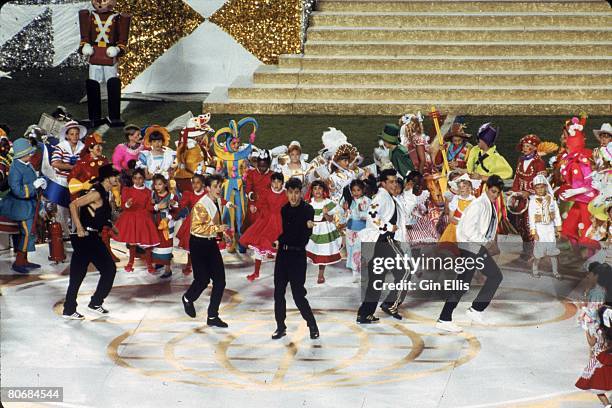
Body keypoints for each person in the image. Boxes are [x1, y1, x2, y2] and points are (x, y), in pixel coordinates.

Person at [436, 175, 505, 333]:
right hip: (470, 246)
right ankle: (454, 316)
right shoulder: (478, 204)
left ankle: (459, 314)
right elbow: (467, 229)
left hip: (474, 246)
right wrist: (483, 242)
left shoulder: (488, 203)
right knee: (493, 276)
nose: (495, 195)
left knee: (465, 283)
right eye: (493, 191)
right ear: (487, 189)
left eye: (497, 193)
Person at [62, 164, 119, 319]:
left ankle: (91, 303)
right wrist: (79, 228)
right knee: (86, 273)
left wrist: (111, 225)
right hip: (85, 238)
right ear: (107, 178)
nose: (116, 178)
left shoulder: (105, 193)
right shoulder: (96, 193)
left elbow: (97, 215)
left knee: (102, 271)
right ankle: (73, 308)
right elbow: (73, 205)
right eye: (114, 176)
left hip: (92, 238)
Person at [271, 177, 319, 340]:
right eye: (290, 192)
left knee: (298, 294)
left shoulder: (308, 210)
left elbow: (302, 234)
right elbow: (285, 231)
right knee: (278, 293)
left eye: (296, 193)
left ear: (301, 193)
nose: (293, 196)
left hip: (298, 256)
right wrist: (278, 240)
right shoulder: (284, 210)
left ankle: (312, 325)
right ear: (286, 193)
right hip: (282, 256)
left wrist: (282, 238)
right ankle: (280, 326)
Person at [181, 174, 230, 328]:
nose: (218, 189)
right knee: (202, 280)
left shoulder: (216, 202)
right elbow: (196, 228)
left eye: (219, 186)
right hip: (198, 245)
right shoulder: (202, 205)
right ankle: (188, 298)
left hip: (210, 244)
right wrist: (217, 229)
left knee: (220, 281)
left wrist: (223, 235)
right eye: (215, 186)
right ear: (208, 188)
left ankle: (212, 316)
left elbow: (215, 223)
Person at [356, 168, 401, 324]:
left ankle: (365, 313)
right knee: (404, 271)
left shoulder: (386, 196)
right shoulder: (382, 197)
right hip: (383, 242)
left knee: (378, 279)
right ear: (383, 183)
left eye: (395, 181)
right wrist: (388, 227)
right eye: (391, 182)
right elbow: (372, 215)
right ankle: (386, 305)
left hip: (383, 242)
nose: (394, 184)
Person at [0, 138, 46, 273]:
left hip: (29, 203)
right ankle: (19, 261)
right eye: (28, 153)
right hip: (21, 206)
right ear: (21, 154)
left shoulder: (26, 164)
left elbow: (31, 178)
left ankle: (24, 260)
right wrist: (33, 186)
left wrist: (39, 182)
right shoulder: (15, 169)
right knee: (27, 233)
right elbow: (18, 191)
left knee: (30, 232)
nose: (30, 155)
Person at [239, 172, 287, 281]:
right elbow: (261, 204)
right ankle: (256, 272)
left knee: (281, 249)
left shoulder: (286, 194)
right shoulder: (267, 193)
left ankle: (282, 273)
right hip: (266, 222)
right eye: (274, 182)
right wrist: (256, 208)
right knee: (258, 244)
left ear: (282, 183)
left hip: (280, 224)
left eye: (278, 182)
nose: (276, 184)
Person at [113, 168, 159, 273]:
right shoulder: (127, 190)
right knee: (132, 243)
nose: (138, 181)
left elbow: (148, 208)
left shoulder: (148, 192)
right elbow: (123, 207)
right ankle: (130, 262)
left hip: (143, 218)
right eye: (135, 178)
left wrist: (154, 205)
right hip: (130, 219)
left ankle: (149, 264)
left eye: (140, 178)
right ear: (132, 179)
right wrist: (128, 204)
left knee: (147, 243)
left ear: (144, 179)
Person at [509, 134, 547, 259]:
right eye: (524, 146)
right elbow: (516, 179)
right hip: (521, 199)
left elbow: (541, 184)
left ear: (534, 148)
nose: (525, 148)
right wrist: (514, 193)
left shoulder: (539, 163)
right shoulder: (521, 160)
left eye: (528, 146)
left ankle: (535, 251)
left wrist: (529, 192)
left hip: (533, 199)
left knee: (530, 224)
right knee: (520, 224)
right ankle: (527, 248)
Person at [306, 180, 342, 284]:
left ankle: (320, 274)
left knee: (323, 252)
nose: (317, 191)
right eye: (315, 188)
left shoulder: (327, 203)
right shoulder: (309, 203)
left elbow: (331, 219)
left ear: (323, 190)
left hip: (324, 230)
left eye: (320, 188)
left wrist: (325, 214)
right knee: (308, 251)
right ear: (312, 191)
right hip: (312, 230)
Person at [576, 305, 612, 406]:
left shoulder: (598, 330)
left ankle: (607, 405)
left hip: (599, 360)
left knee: (596, 386)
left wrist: (586, 330)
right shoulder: (608, 331)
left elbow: (591, 343)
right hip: (608, 359)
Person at [528, 174, 562, 278]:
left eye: (542, 187)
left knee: (552, 252)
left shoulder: (551, 199)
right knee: (538, 253)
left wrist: (558, 228)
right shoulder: (533, 200)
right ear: (534, 189)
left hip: (550, 228)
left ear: (546, 187)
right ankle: (535, 270)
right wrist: (534, 232)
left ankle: (555, 272)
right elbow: (531, 217)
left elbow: (556, 213)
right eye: (537, 188)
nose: (540, 190)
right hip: (540, 228)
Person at [175, 174, 207, 275]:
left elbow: (217, 201)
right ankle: (189, 264)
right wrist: (174, 204)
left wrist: (227, 203)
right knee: (191, 243)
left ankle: (204, 264)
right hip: (192, 222)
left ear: (203, 184)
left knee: (204, 244)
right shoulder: (189, 194)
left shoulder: (207, 194)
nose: (195, 185)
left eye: (198, 183)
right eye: (193, 183)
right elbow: (181, 205)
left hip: (205, 221)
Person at [341, 179, 371, 283]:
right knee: (351, 251)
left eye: (358, 190)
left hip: (362, 230)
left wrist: (362, 214)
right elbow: (343, 214)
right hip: (350, 229)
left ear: (363, 190)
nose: (356, 193)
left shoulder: (367, 200)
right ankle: (355, 272)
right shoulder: (349, 201)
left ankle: (363, 272)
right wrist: (345, 212)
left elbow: (371, 215)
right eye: (353, 190)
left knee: (361, 251)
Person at [151, 174, 179, 279]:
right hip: (155, 223)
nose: (157, 187)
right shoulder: (153, 195)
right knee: (157, 245)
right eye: (155, 184)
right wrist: (154, 206)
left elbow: (178, 211)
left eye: (160, 184)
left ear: (165, 184)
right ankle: (159, 262)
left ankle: (168, 269)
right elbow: (150, 208)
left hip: (166, 225)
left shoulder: (171, 196)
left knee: (166, 245)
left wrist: (169, 216)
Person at [439, 174, 479, 243]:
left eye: (464, 186)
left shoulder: (474, 201)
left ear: (469, 188)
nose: (461, 189)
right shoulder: (456, 199)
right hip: (456, 226)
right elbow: (451, 218)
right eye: (459, 187)